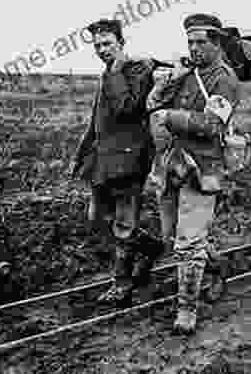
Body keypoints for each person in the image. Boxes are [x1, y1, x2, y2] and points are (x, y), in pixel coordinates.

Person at [143, 13, 239, 334]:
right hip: (173, 166)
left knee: (187, 241)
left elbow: (212, 125)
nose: (195, 47)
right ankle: (215, 267)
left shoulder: (224, 78)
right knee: (173, 238)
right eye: (190, 41)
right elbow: (152, 105)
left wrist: (171, 116)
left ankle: (187, 309)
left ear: (217, 43)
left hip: (204, 169)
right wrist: (161, 88)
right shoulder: (187, 72)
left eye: (201, 42)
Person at [70, 19, 163, 305]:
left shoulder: (136, 70)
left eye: (107, 43)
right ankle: (150, 247)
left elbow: (127, 108)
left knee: (123, 223)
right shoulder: (110, 71)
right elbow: (99, 120)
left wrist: (116, 70)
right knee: (97, 218)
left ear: (121, 43)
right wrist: (82, 153)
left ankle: (121, 283)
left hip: (129, 159)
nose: (101, 49)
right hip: (103, 159)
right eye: (97, 45)